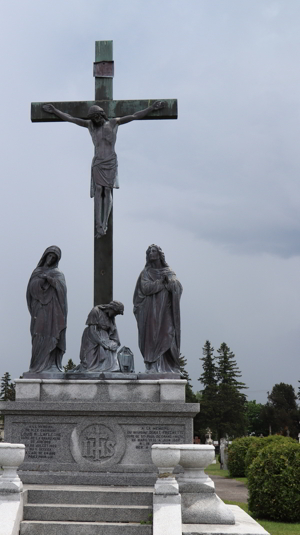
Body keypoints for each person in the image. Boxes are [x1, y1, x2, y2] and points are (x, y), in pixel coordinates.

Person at [42, 101, 165, 237]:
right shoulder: (90, 126)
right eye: (93, 117)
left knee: (107, 190)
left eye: (98, 116)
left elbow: (134, 116)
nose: (96, 119)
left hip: (110, 160)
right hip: (98, 162)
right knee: (98, 189)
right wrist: (54, 111)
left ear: (102, 114)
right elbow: (71, 118)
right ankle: (98, 225)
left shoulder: (113, 123)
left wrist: (152, 108)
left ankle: (104, 223)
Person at [133, 245, 182, 373]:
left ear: (160, 254)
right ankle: (153, 365)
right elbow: (145, 289)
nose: (151, 253)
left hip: (166, 310)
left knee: (168, 334)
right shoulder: (146, 273)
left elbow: (177, 287)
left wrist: (172, 283)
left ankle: (168, 366)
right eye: (149, 252)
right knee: (151, 337)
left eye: (153, 251)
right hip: (150, 311)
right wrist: (161, 282)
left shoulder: (168, 271)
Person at [26, 246, 67, 372]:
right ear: (45, 256)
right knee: (38, 333)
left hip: (53, 310)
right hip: (39, 308)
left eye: (53, 258)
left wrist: (49, 279)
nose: (50, 259)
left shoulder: (58, 273)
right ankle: (36, 365)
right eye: (49, 256)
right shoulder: (37, 271)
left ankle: (51, 364)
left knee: (53, 334)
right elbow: (30, 290)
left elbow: (62, 290)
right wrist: (40, 282)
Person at [77, 301, 124, 372]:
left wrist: (114, 342)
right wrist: (104, 343)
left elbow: (114, 331)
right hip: (92, 337)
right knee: (90, 364)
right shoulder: (95, 311)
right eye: (116, 313)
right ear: (112, 308)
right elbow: (92, 330)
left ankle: (108, 369)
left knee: (110, 350)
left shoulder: (111, 317)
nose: (115, 315)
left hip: (104, 338)